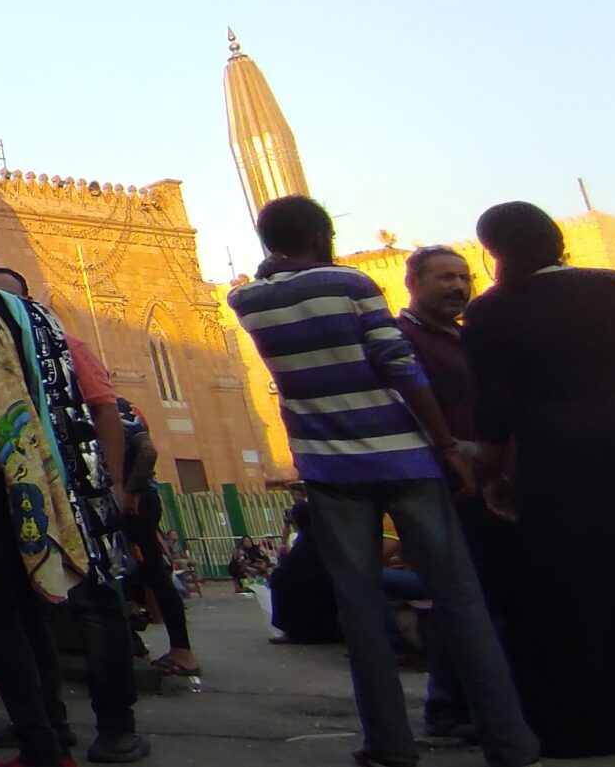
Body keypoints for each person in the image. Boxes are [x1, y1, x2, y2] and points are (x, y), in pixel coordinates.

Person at [226, 196, 535, 767]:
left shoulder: (247, 301)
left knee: (360, 608)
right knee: (460, 598)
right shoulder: (352, 284)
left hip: (328, 469)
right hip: (404, 459)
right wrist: (446, 446)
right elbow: (400, 366)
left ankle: (390, 745)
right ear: (321, 236)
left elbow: (266, 273)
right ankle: (510, 743)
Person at [463, 202, 615, 758]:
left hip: (554, 460)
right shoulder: (613, 286)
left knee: (571, 591)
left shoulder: (488, 312)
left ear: (494, 251)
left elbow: (494, 407)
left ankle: (590, 725)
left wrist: (490, 472)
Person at [0, 265, 150, 763]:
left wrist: (112, 485)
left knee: (95, 605)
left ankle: (116, 726)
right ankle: (43, 722)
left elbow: (104, 410)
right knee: (27, 611)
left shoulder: (68, 348)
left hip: (78, 493)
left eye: (7, 301)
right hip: (19, 499)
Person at [393, 244, 507, 742]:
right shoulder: (401, 341)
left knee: (482, 596)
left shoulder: (463, 338)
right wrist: (458, 452)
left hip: (486, 484)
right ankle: (449, 707)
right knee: (461, 596)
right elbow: (410, 410)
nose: (459, 286)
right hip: (443, 485)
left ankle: (470, 703)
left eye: (464, 277)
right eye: (445, 277)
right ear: (413, 283)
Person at [103, 398, 195, 678]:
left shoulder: (118, 408)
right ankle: (139, 646)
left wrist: (132, 492)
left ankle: (182, 651)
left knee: (151, 572)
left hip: (135, 504)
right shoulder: (121, 407)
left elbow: (147, 450)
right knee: (137, 573)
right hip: (132, 502)